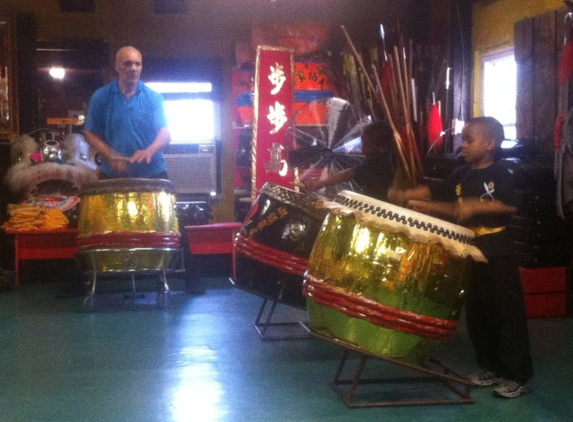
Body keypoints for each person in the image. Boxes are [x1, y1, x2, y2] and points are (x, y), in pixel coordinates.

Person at [388, 116, 533, 398]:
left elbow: (513, 205)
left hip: (497, 250)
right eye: (463, 139)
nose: (463, 146)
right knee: (478, 313)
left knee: (506, 313)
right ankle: (489, 366)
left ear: (490, 144)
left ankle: (518, 375)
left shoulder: (501, 173)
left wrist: (479, 204)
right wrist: (406, 195)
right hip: (469, 250)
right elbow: (435, 189)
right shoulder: (463, 173)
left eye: (470, 140)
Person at [84, 46, 171, 179]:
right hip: (113, 173)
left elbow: (165, 135)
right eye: (128, 63)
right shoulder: (101, 96)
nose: (134, 68)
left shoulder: (154, 97)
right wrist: (110, 154)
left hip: (152, 172)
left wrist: (149, 151)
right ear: (117, 67)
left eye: (138, 64)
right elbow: (90, 133)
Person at [299, 120, 395, 201]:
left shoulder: (381, 163)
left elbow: (349, 173)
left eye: (367, 145)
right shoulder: (383, 157)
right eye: (362, 143)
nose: (362, 148)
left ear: (382, 148)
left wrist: (319, 184)